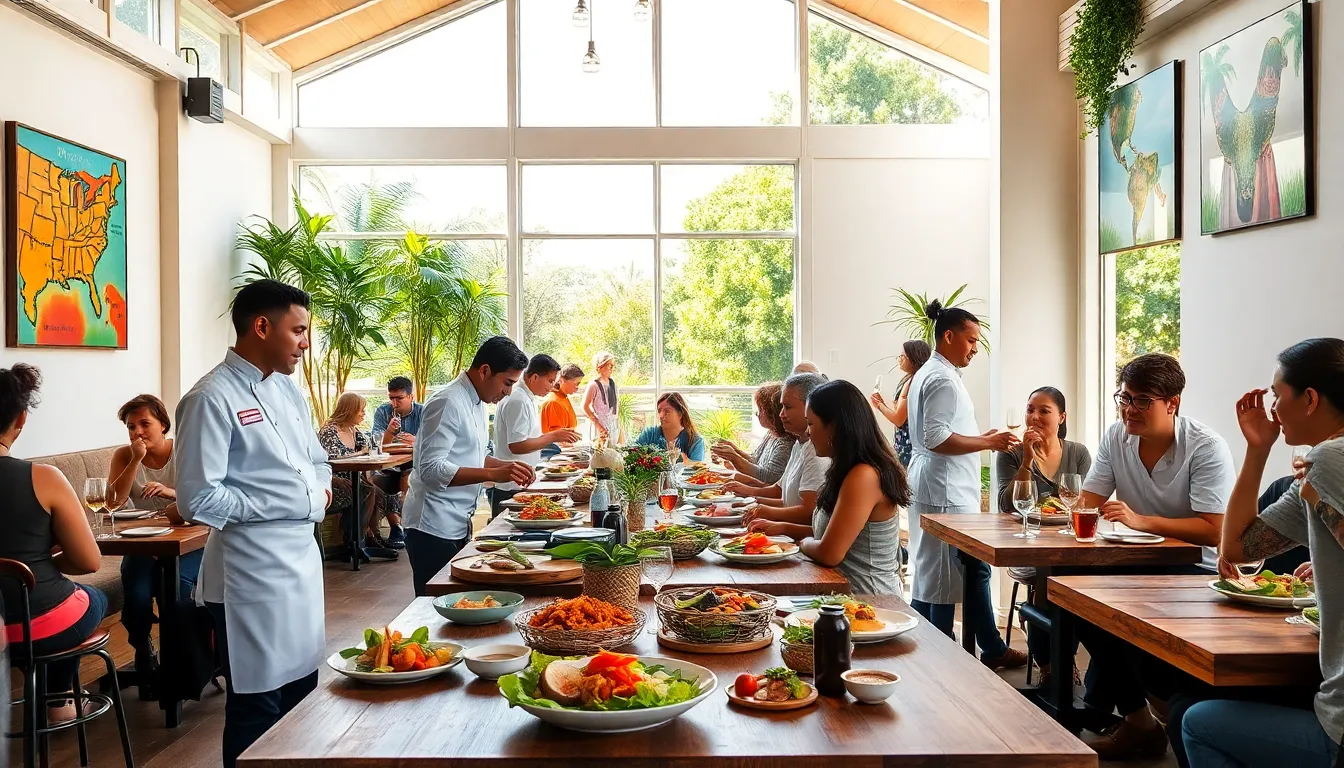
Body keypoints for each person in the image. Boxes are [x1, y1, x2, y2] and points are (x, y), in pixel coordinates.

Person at [174, 279, 333, 768]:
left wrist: (320, 490)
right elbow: (196, 497)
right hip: (251, 575)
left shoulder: (288, 390)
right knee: (256, 703)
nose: (306, 343)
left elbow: (317, 458)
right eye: (299, 330)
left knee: (303, 691)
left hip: (302, 565)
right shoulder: (209, 397)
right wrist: (281, 503)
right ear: (262, 327)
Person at [1179, 338, 1344, 768]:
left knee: (1198, 722)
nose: (1272, 410)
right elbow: (1238, 551)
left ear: (1309, 399)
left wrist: (1257, 450)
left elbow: (1232, 553)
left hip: (1341, 729)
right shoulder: (1319, 467)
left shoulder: (1327, 459)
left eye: (1276, 396)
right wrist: (1258, 449)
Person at [1074, 352, 1237, 760]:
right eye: (1125, 398)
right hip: (1130, 561)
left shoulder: (1205, 447)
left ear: (1173, 403)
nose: (1129, 409)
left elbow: (1216, 530)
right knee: (1068, 587)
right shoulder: (1116, 436)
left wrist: (1142, 521)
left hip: (1192, 568)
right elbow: (1087, 501)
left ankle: (1154, 708)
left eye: (1142, 400)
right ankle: (1140, 720)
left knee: (1117, 610)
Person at [905, 300, 1024, 670]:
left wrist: (977, 436)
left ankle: (942, 646)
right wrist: (988, 442)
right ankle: (940, 659)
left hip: (936, 483)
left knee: (941, 571)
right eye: (971, 340)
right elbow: (937, 437)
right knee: (941, 577)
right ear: (949, 336)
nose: (975, 348)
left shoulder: (932, 372)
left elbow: (941, 432)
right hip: (944, 489)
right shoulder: (941, 378)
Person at [0, 363, 107, 725]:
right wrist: (39, 565)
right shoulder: (42, 477)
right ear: (21, 419)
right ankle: (59, 702)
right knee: (91, 598)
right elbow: (90, 561)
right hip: (40, 622)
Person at [402, 336, 537, 596]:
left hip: (457, 521)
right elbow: (430, 469)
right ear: (485, 371)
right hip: (432, 525)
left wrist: (508, 466)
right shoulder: (448, 402)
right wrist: (492, 473)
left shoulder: (477, 401)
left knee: (459, 599)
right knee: (438, 606)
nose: (508, 392)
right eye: (507, 383)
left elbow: (473, 456)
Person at [755, 380, 910, 594]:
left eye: (811, 424)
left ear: (835, 426)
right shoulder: (845, 468)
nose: (808, 433)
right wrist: (783, 528)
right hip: (838, 594)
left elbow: (829, 552)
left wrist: (801, 543)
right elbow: (832, 533)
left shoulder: (864, 476)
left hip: (869, 601)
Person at [993, 386, 1092, 682]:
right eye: (1030, 410)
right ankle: (1053, 664)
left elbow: (1084, 503)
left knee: (1071, 582)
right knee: (1047, 579)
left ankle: (1058, 658)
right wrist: (1025, 461)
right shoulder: (1010, 454)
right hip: (1025, 546)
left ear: (1061, 417)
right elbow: (1006, 504)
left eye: (1044, 411)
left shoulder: (1078, 453)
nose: (1034, 417)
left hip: (1068, 546)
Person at [107, 393, 204, 686]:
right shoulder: (125, 456)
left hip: (190, 538)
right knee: (136, 597)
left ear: (162, 424)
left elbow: (204, 496)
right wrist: (135, 460)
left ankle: (183, 660)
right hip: (143, 541)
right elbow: (112, 502)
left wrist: (170, 492)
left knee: (176, 591)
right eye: (131, 426)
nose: (137, 431)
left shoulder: (185, 450)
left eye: (144, 423)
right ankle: (143, 648)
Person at [490, 354, 582, 517]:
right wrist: (553, 436)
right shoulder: (518, 399)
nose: (552, 386)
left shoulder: (526, 397)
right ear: (534, 377)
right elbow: (516, 445)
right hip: (511, 485)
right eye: (550, 381)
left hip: (520, 481)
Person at [735, 373, 829, 529]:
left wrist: (765, 511)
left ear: (810, 407)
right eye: (781, 407)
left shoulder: (816, 452)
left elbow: (809, 512)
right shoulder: (799, 444)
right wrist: (750, 500)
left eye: (788, 407)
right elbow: (782, 494)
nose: (781, 414)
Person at [318, 392, 392, 547]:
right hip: (333, 480)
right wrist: (359, 453)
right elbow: (331, 458)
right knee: (366, 490)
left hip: (354, 477)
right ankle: (356, 541)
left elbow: (369, 448)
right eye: (361, 410)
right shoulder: (330, 431)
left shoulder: (354, 430)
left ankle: (371, 537)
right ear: (350, 410)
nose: (364, 414)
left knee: (381, 492)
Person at [370, 375, 421, 548]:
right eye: (391, 398)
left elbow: (433, 442)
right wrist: (390, 433)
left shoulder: (424, 412)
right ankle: (395, 527)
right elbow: (377, 444)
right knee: (373, 481)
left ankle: (407, 528)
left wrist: (416, 441)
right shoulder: (383, 412)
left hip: (413, 464)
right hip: (388, 466)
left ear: (411, 397)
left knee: (409, 480)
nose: (394, 403)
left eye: (399, 398)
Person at [712, 383, 795, 485]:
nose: (757, 414)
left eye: (760, 409)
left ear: (771, 413)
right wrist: (734, 450)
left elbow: (767, 477)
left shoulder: (785, 443)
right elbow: (755, 460)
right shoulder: (771, 434)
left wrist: (734, 457)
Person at [870, 340, 932, 466]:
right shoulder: (917, 379)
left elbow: (899, 419)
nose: (899, 359)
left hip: (907, 445)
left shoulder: (910, 383)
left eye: (902, 356)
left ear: (913, 359)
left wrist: (880, 406)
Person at [635, 392, 705, 461]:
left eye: (667, 411)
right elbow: (632, 455)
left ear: (680, 414)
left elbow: (697, 468)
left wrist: (683, 459)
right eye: (659, 411)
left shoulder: (695, 440)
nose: (661, 415)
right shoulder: (649, 434)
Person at [540, 363, 584, 459]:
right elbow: (558, 438)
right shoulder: (554, 402)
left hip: (563, 451)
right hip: (554, 454)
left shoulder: (563, 398)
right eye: (576, 384)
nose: (577, 387)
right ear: (562, 381)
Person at [583, 352, 619, 442]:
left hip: (612, 426)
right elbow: (584, 406)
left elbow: (615, 410)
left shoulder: (613, 384)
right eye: (609, 365)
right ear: (600, 367)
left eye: (613, 366)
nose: (612, 369)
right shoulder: (594, 385)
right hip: (599, 427)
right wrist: (597, 424)